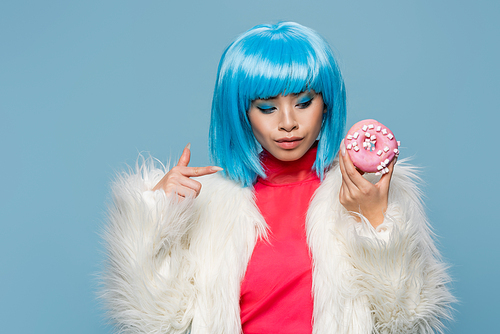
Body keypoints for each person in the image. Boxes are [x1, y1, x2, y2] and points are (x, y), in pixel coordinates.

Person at [101, 22, 454, 333]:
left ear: (327, 103)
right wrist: (154, 218)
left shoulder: (371, 192)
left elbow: (405, 321)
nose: (287, 122)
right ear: (243, 113)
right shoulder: (206, 203)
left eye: (303, 102)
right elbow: (156, 322)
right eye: (267, 108)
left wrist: (377, 224)